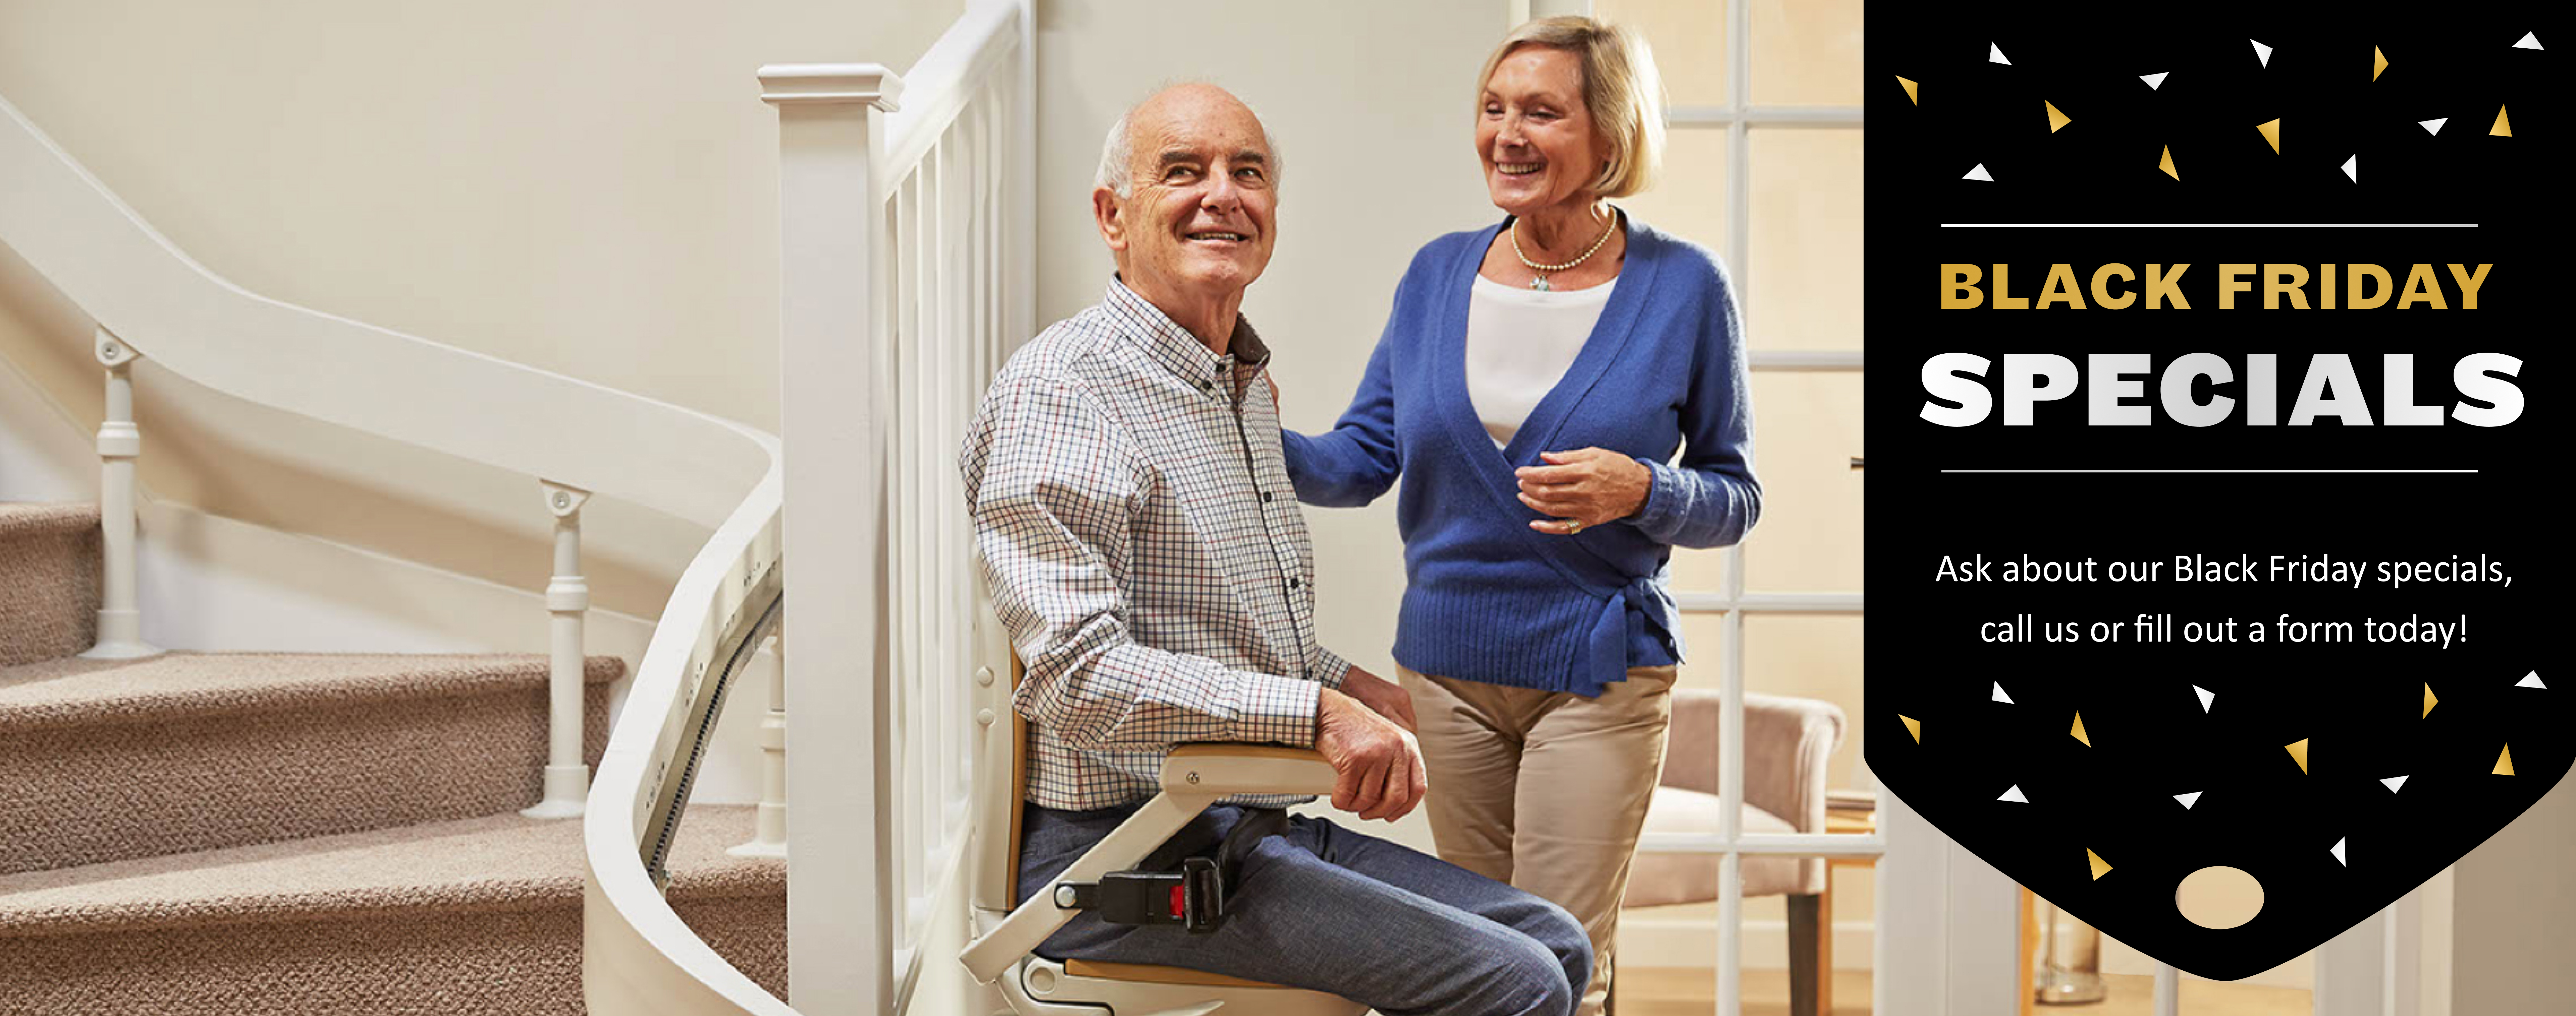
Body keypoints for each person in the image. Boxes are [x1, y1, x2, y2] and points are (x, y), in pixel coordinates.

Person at [961, 82, 1591, 1016]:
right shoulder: (1064, 394)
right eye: (1183, 171)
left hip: (1238, 827)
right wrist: (1318, 714)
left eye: (1246, 172)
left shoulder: (1240, 384)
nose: (1223, 194)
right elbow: (1076, 675)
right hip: (1119, 858)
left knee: (1556, 941)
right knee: (1517, 982)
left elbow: (1214, 636)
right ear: (1113, 215)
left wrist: (1354, 687)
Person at [1280, 17, 1758, 1015]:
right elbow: (1358, 461)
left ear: (1610, 135)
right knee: (1480, 961)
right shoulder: (1436, 274)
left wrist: (1647, 491)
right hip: (1445, 675)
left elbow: (1735, 496)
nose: (1507, 133)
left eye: (1541, 111)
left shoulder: (1684, 288)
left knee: (1560, 963)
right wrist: (1242, 421)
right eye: (1493, 109)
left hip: (1595, 670)